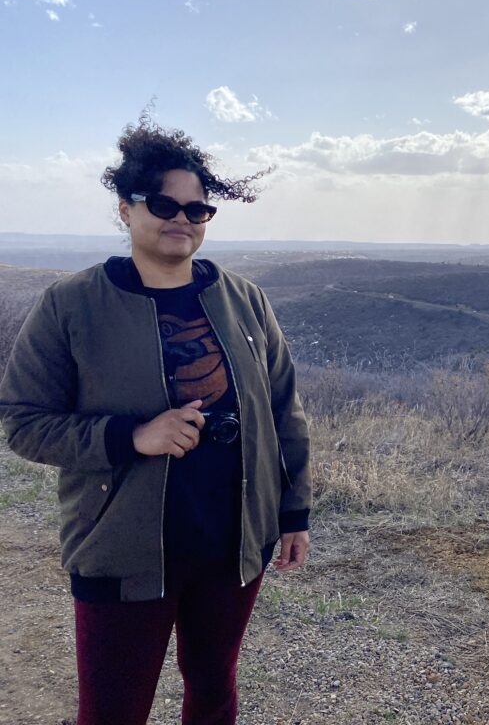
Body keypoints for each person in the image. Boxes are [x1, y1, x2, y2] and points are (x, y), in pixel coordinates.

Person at [0, 116, 311, 725]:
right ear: (125, 208)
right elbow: (23, 420)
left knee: (214, 691)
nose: (181, 219)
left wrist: (293, 513)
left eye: (198, 210)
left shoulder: (243, 298)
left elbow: (284, 411)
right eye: (163, 203)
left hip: (234, 545)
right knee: (114, 710)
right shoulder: (73, 303)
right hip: (123, 547)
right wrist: (132, 436)